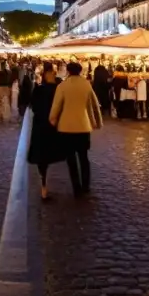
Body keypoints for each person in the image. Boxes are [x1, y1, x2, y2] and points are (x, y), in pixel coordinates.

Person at [49, 62, 103, 197]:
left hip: (66, 127)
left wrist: (53, 119)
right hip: (83, 127)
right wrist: (98, 122)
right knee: (84, 158)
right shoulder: (86, 84)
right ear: (80, 71)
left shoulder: (62, 86)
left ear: (68, 71)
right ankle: (86, 186)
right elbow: (95, 105)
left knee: (71, 160)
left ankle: (76, 188)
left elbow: (56, 106)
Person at [27, 62, 65, 200]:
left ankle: (44, 185)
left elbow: (33, 106)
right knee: (51, 153)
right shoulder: (57, 88)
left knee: (42, 155)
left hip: (41, 126)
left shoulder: (39, 89)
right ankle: (44, 185)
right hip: (53, 125)